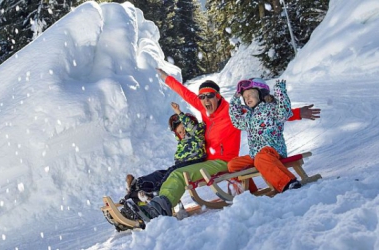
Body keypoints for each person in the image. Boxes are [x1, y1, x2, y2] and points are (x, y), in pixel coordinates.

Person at [133, 68, 321, 220]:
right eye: (202, 97)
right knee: (170, 171)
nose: (205, 100)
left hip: (222, 161)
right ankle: (142, 200)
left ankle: (160, 207)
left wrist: (297, 113)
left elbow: (264, 116)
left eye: (209, 96)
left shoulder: (231, 113)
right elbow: (187, 94)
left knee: (180, 174)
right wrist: (167, 79)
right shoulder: (206, 111)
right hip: (206, 160)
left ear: (218, 96)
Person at [124, 102, 207, 203]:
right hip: (182, 168)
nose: (183, 133)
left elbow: (192, 127)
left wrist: (179, 112)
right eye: (180, 132)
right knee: (159, 174)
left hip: (195, 164)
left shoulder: (196, 134)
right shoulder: (182, 143)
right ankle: (138, 185)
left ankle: (155, 193)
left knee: (171, 172)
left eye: (185, 129)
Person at [228, 78, 300, 193]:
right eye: (244, 97)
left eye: (250, 94)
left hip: (273, 150)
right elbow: (236, 121)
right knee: (233, 164)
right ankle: (246, 192)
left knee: (261, 158)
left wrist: (280, 92)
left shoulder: (271, 108)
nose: (247, 99)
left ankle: (288, 182)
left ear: (261, 93)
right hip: (255, 155)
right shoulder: (248, 116)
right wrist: (235, 100)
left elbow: (285, 113)